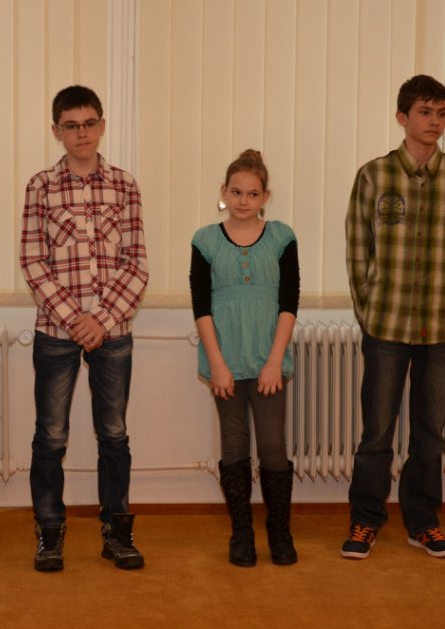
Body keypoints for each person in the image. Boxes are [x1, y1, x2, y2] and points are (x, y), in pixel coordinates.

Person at [343, 74, 445, 560]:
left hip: (437, 329)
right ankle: (365, 519)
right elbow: (358, 251)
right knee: (377, 433)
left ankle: (423, 522)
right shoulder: (374, 176)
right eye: (424, 112)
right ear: (402, 117)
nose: (434, 121)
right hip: (386, 327)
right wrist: (369, 312)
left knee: (430, 436)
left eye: (441, 113)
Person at [19, 85, 149, 572]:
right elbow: (33, 261)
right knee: (51, 436)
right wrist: (76, 320)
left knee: (114, 435)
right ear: (57, 131)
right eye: (71, 126)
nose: (82, 133)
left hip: (113, 332)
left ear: (102, 126)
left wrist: (103, 319)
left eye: (89, 123)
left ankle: (117, 534)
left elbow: (137, 263)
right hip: (57, 332)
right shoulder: (41, 187)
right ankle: (49, 534)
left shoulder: (125, 186)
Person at [190, 150, 300, 567]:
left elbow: (289, 303)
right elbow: (201, 306)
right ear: (224, 192)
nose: (243, 200)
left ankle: (280, 533)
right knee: (234, 445)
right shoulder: (205, 241)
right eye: (236, 192)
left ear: (265, 197)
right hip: (226, 365)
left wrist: (275, 361)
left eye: (253, 194)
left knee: (272, 446)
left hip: (269, 361)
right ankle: (241, 534)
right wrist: (217, 364)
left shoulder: (282, 238)